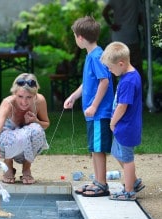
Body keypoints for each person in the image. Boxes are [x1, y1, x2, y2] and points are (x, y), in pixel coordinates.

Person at [63, 16, 114, 197]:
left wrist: (93, 106)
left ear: (81, 38)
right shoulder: (92, 55)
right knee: (94, 148)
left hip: (99, 113)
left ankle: (101, 184)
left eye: (75, 36)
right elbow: (88, 83)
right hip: (94, 113)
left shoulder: (96, 56)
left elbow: (104, 82)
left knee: (98, 149)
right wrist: (74, 96)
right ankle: (97, 181)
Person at [0, 73, 50, 185]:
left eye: (29, 97)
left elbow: (46, 124)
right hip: (5, 139)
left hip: (24, 140)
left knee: (37, 130)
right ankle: (8, 166)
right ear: (14, 93)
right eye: (20, 96)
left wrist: (35, 121)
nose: (24, 102)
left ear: (35, 95)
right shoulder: (7, 103)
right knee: (14, 136)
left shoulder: (40, 101)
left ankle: (26, 168)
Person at [101, 41, 145, 201]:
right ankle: (133, 181)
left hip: (126, 126)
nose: (110, 71)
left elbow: (122, 106)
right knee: (117, 152)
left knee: (127, 159)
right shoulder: (130, 75)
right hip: (124, 126)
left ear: (121, 63)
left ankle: (129, 191)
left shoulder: (128, 81)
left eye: (111, 68)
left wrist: (112, 122)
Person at [102, 0, 144, 87]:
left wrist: (111, 24)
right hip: (132, 38)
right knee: (136, 68)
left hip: (117, 38)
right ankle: (138, 93)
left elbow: (104, 13)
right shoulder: (135, 2)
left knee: (113, 68)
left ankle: (114, 94)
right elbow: (141, 19)